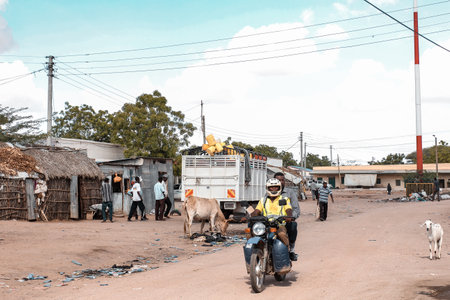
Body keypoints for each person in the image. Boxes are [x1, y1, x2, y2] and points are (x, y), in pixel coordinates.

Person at [244, 178, 294, 254]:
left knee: (282, 234)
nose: (273, 189)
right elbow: (255, 213)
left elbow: (289, 210)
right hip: (265, 225)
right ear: (267, 188)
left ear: (279, 188)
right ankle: (254, 252)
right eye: (271, 187)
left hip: (279, 224)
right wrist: (247, 207)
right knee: (249, 232)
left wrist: (289, 217)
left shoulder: (284, 199)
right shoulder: (263, 200)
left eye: (276, 187)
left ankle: (287, 251)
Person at [274, 172, 300, 261]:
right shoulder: (268, 193)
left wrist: (291, 217)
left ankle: (291, 249)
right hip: (271, 222)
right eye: (278, 180)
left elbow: (296, 209)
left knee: (293, 225)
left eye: (282, 180)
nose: (281, 182)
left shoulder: (290, 193)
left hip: (285, 222)